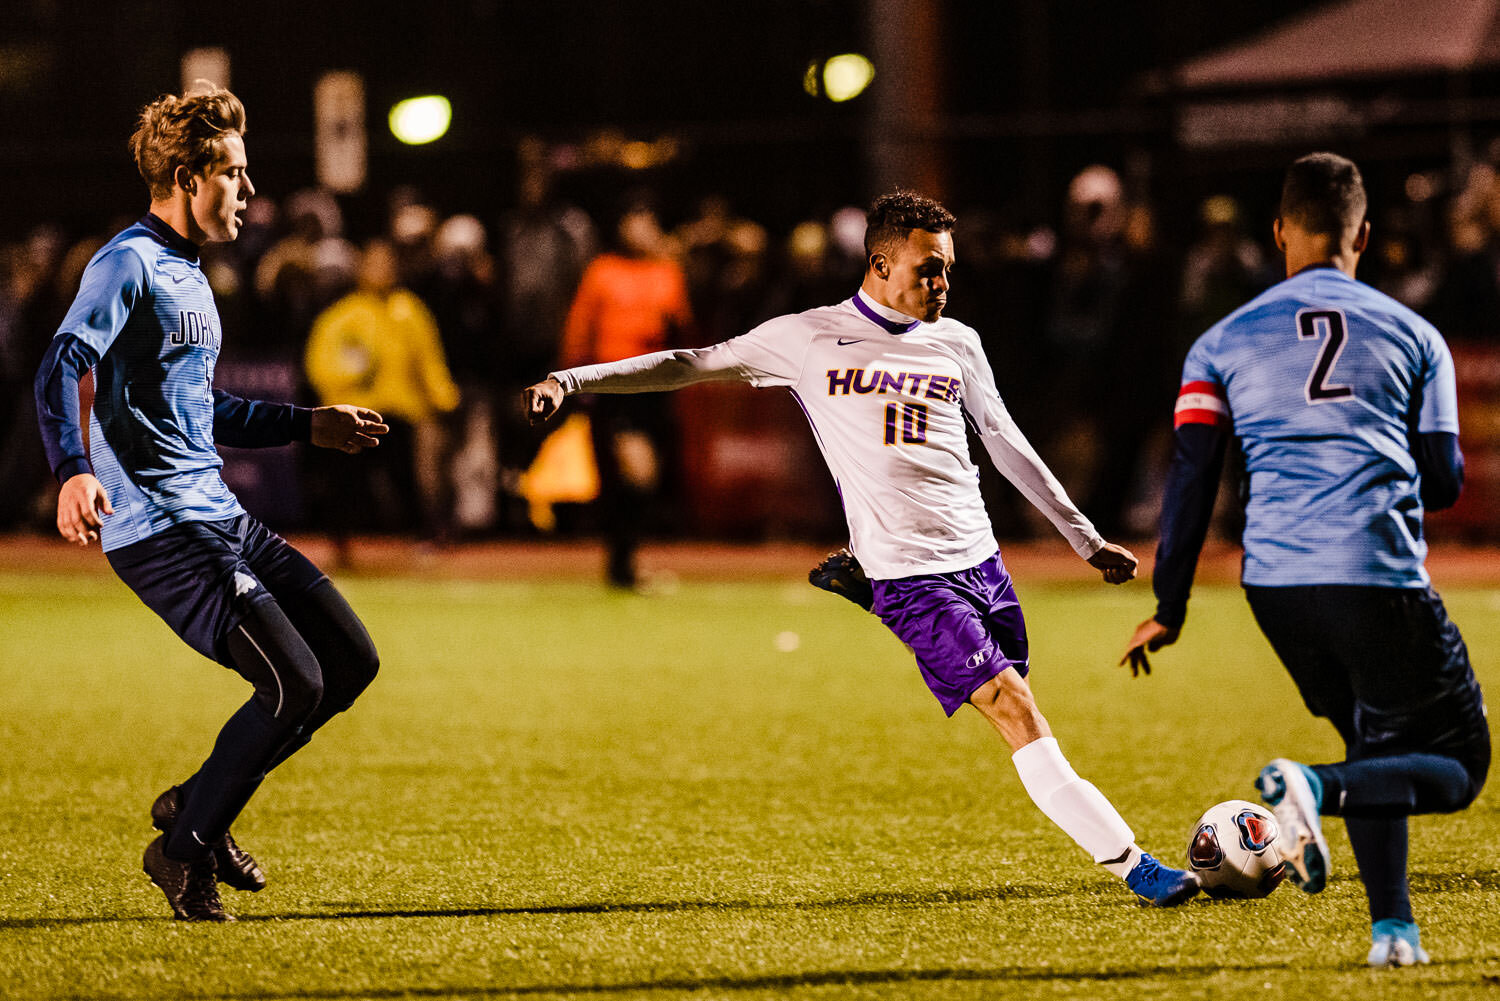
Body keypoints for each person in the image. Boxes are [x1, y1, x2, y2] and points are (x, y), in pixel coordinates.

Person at [525, 191, 1200, 907]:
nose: (942, 284)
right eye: (928, 269)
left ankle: (866, 583)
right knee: (1015, 707)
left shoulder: (958, 343)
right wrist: (573, 379)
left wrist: (1084, 538)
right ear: (880, 263)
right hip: (914, 575)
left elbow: (1005, 444)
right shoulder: (810, 337)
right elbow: (693, 361)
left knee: (1018, 700)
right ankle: (1132, 862)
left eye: (948, 270)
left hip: (982, 563)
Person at [1121, 153, 1490, 967]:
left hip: (1277, 587)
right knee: (1460, 765)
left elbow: (1193, 477)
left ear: (1281, 231)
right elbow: (1444, 482)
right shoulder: (1415, 334)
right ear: (1364, 232)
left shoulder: (1220, 340)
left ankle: (1393, 930)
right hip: (1375, 575)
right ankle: (1311, 792)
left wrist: (1169, 606)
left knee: (1377, 749)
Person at [34, 84, 387, 921]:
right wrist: (72, 469)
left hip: (220, 514)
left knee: (350, 661)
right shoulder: (127, 262)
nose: (249, 189)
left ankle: (198, 805)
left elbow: (204, 407)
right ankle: (183, 850)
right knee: (293, 684)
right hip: (163, 527)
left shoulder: (189, 272)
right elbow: (60, 363)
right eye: (234, 170)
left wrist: (309, 425)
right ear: (189, 177)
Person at [558, 198, 694, 588]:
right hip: (617, 384)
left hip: (656, 386)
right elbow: (579, 328)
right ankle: (621, 562)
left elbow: (683, 325)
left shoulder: (668, 271)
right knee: (635, 473)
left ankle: (622, 563)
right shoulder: (603, 271)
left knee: (644, 478)